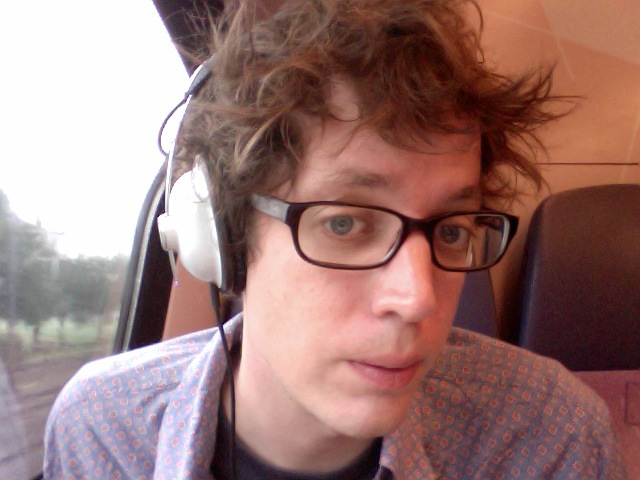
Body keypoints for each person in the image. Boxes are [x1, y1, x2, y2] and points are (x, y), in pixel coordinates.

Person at [43, 0, 627, 478]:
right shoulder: (105, 430)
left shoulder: (546, 436)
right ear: (227, 239)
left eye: (451, 230)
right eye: (345, 223)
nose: (418, 299)